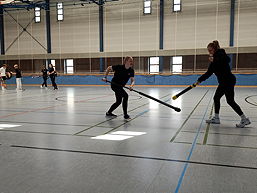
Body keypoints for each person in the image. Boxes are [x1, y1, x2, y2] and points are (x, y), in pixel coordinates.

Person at [195, 40, 250, 128]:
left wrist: (215, 59)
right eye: (208, 51)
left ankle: (244, 119)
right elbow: (208, 73)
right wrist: (199, 80)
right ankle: (219, 118)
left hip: (228, 80)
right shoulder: (213, 62)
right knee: (223, 99)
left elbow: (227, 59)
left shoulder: (221, 54)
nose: (209, 52)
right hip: (225, 82)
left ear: (215, 49)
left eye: (210, 50)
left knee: (226, 100)